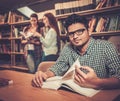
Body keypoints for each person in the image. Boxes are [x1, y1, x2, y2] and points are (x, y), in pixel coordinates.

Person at [32, 14, 120, 89]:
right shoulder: (68, 48)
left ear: (89, 31)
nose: (75, 37)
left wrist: (96, 82)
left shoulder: (106, 47)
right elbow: (57, 67)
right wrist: (44, 74)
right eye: (71, 33)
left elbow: (118, 77)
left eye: (80, 31)